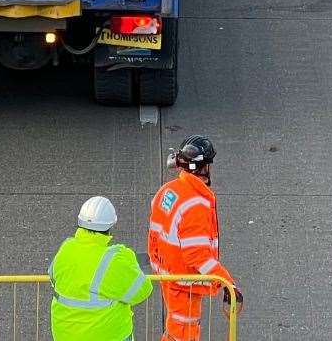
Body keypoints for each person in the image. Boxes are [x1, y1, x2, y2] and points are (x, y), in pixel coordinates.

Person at [148, 136, 242, 341]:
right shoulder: (195, 204)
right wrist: (226, 282)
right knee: (184, 332)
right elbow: (197, 255)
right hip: (184, 281)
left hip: (168, 274)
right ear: (203, 168)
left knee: (174, 330)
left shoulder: (168, 191)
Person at [49, 196, 152, 341]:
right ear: (110, 226)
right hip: (108, 335)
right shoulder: (114, 259)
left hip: (64, 334)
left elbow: (53, 278)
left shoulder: (66, 249)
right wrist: (129, 260)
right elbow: (142, 291)